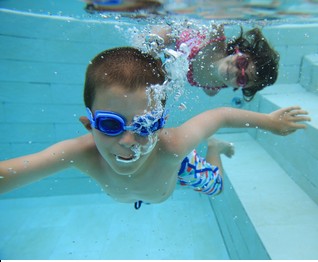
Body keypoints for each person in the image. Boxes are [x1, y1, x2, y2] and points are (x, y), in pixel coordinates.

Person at [0, 47, 309, 209]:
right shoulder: (82, 153)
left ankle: (214, 148)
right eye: (110, 124)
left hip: (178, 169)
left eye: (146, 125)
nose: (129, 141)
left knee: (216, 188)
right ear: (88, 124)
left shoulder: (172, 144)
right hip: (154, 188)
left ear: (160, 126)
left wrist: (270, 122)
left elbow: (223, 114)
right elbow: (16, 172)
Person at [144, 24, 280, 101]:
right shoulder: (217, 42)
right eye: (242, 63)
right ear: (239, 51)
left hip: (170, 56)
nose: (234, 71)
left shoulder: (211, 89)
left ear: (241, 87)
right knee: (146, 51)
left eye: (242, 79)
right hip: (171, 33)